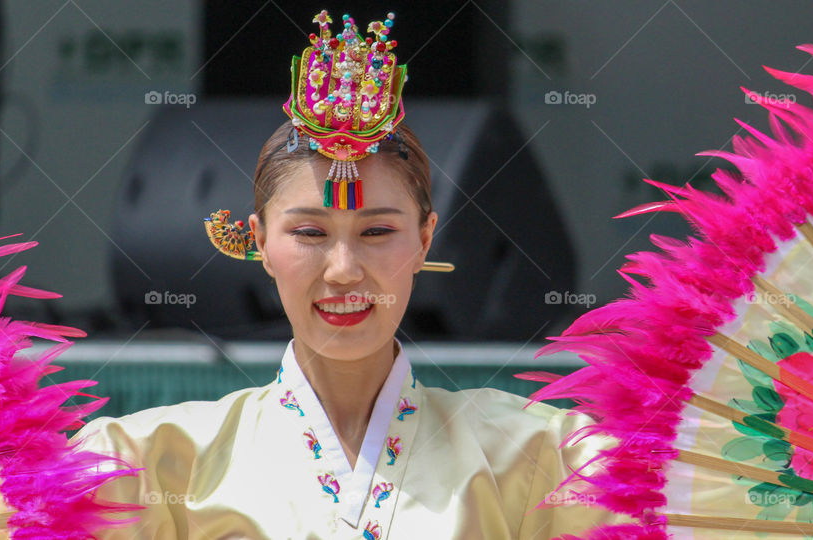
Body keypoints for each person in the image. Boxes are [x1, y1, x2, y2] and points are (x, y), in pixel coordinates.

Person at [71, 9, 629, 539]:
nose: (343, 271)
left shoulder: (542, 457)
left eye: (378, 232)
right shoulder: (148, 464)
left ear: (426, 239)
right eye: (310, 234)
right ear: (260, 242)